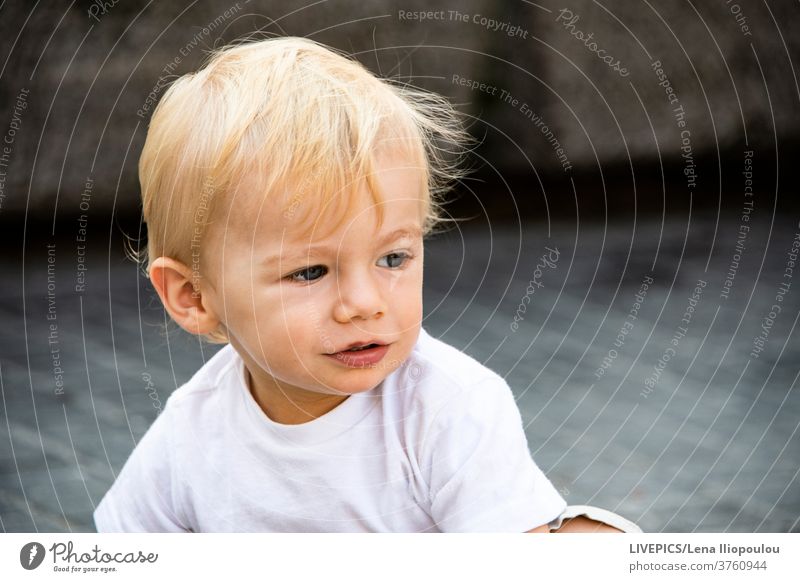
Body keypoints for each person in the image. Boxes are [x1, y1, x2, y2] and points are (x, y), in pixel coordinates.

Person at [94, 36, 629, 533]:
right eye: (309, 271)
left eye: (392, 257)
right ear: (193, 298)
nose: (365, 304)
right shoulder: (192, 432)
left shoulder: (447, 412)